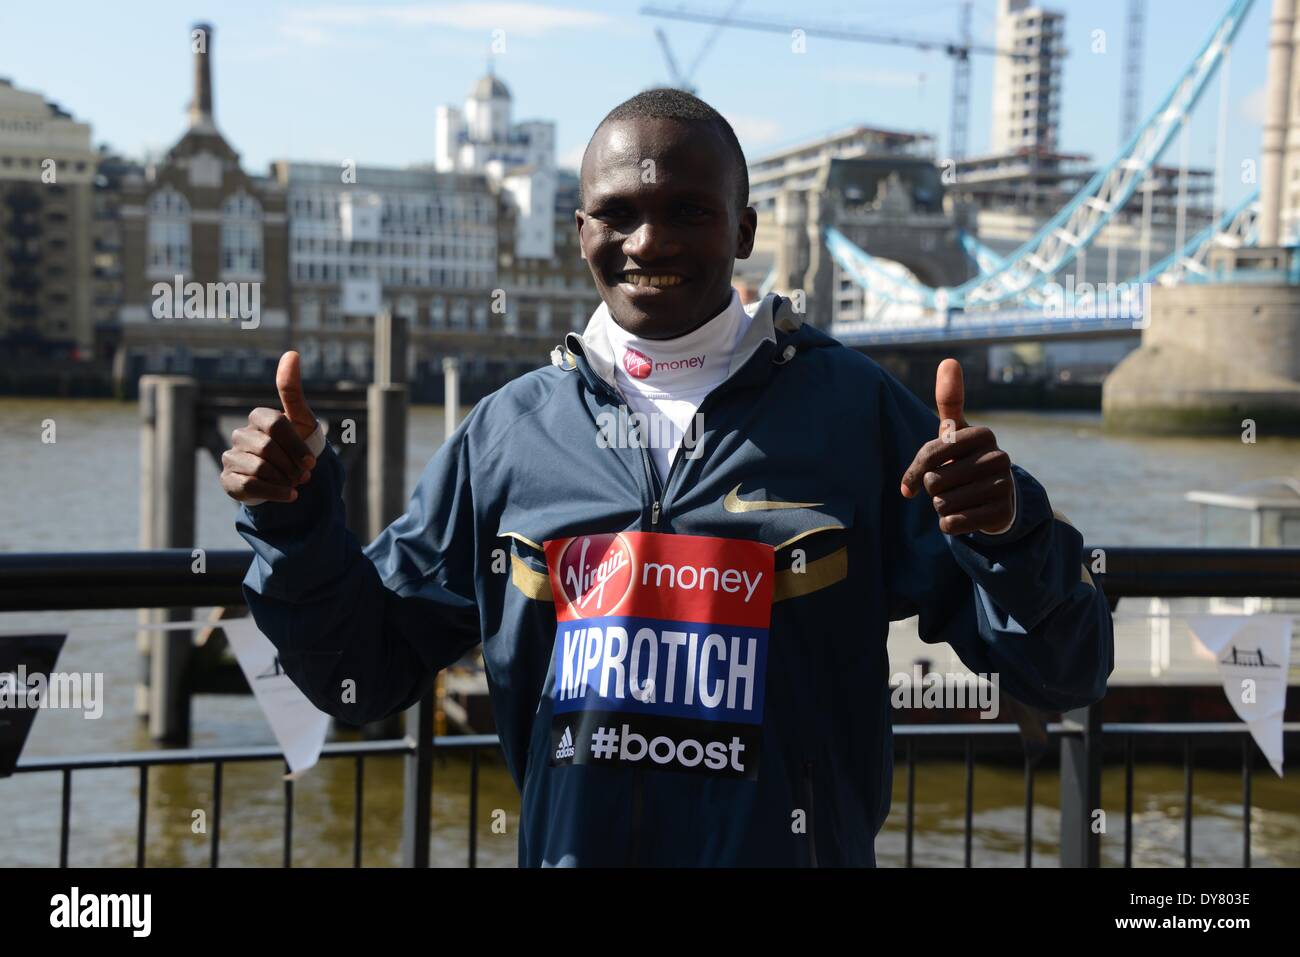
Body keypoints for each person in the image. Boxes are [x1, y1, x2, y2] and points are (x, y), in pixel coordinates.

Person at [223, 88, 1114, 867]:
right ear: (580, 233)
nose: (649, 240)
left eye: (689, 210)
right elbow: (366, 677)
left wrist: (1009, 532)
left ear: (745, 229)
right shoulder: (506, 432)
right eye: (618, 212)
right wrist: (293, 522)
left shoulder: (856, 412)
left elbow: (1061, 671)